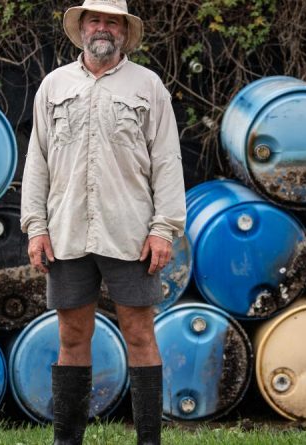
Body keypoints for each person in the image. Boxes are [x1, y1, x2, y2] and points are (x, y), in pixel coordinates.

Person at [20, 1, 185, 444]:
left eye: (112, 20)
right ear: (82, 27)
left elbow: (167, 160)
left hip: (131, 233)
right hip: (67, 232)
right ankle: (66, 440)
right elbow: (37, 160)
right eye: (95, 19)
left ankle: (149, 440)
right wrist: (36, 226)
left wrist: (163, 228)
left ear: (124, 31)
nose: (103, 27)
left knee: (139, 332)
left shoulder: (148, 87)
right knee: (72, 336)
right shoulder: (54, 86)